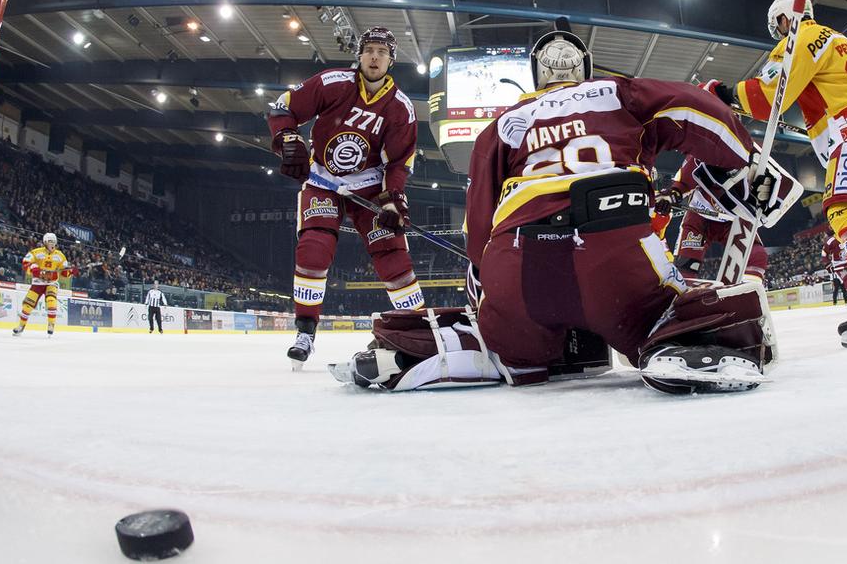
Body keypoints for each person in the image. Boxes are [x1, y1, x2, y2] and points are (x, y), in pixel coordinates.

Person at [331, 23, 801, 394]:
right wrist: (747, 160)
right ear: (586, 67)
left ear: (538, 75)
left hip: (519, 269)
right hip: (616, 257)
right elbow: (698, 107)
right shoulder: (619, 92)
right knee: (666, 313)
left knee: (508, 342)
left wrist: (488, 277)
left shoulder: (504, 123)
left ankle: (440, 348)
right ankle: (681, 342)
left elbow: (479, 223)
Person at [720, 0, 847, 348]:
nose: (778, 34)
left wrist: (722, 93)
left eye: (778, 26)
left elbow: (766, 95)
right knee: (845, 225)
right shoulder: (835, 39)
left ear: (785, 19)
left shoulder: (800, 38)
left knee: (844, 209)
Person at [267, 26, 423, 367]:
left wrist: (394, 200)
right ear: (360, 54)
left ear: (391, 60)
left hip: (368, 187)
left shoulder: (401, 108)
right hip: (322, 179)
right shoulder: (332, 83)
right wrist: (287, 139)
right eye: (370, 49)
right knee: (314, 248)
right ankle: (305, 331)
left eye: (383, 52)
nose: (375, 56)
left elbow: (398, 163)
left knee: (392, 253)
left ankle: (419, 328)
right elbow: (283, 109)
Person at [654, 80, 769, 286]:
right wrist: (672, 193)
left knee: (756, 255)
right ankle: (684, 306)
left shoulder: (747, 148)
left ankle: (749, 293)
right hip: (700, 216)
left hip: (735, 215)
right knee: (687, 265)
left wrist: (764, 192)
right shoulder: (701, 147)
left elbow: (768, 184)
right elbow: (686, 176)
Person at [13, 232, 74, 336]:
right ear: (45, 242)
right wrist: (35, 270)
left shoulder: (60, 256)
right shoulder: (36, 252)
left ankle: (51, 324)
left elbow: (64, 272)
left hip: (52, 283)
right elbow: (25, 263)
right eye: (50, 241)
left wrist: (70, 272)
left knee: (51, 301)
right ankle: (21, 326)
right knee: (28, 305)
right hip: (37, 283)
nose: (52, 244)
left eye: (54, 241)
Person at [824, 232, 847, 304]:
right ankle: (836, 301)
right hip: (836, 278)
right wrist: (832, 280)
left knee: (846, 287)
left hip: (843, 269)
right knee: (838, 289)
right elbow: (830, 271)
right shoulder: (831, 263)